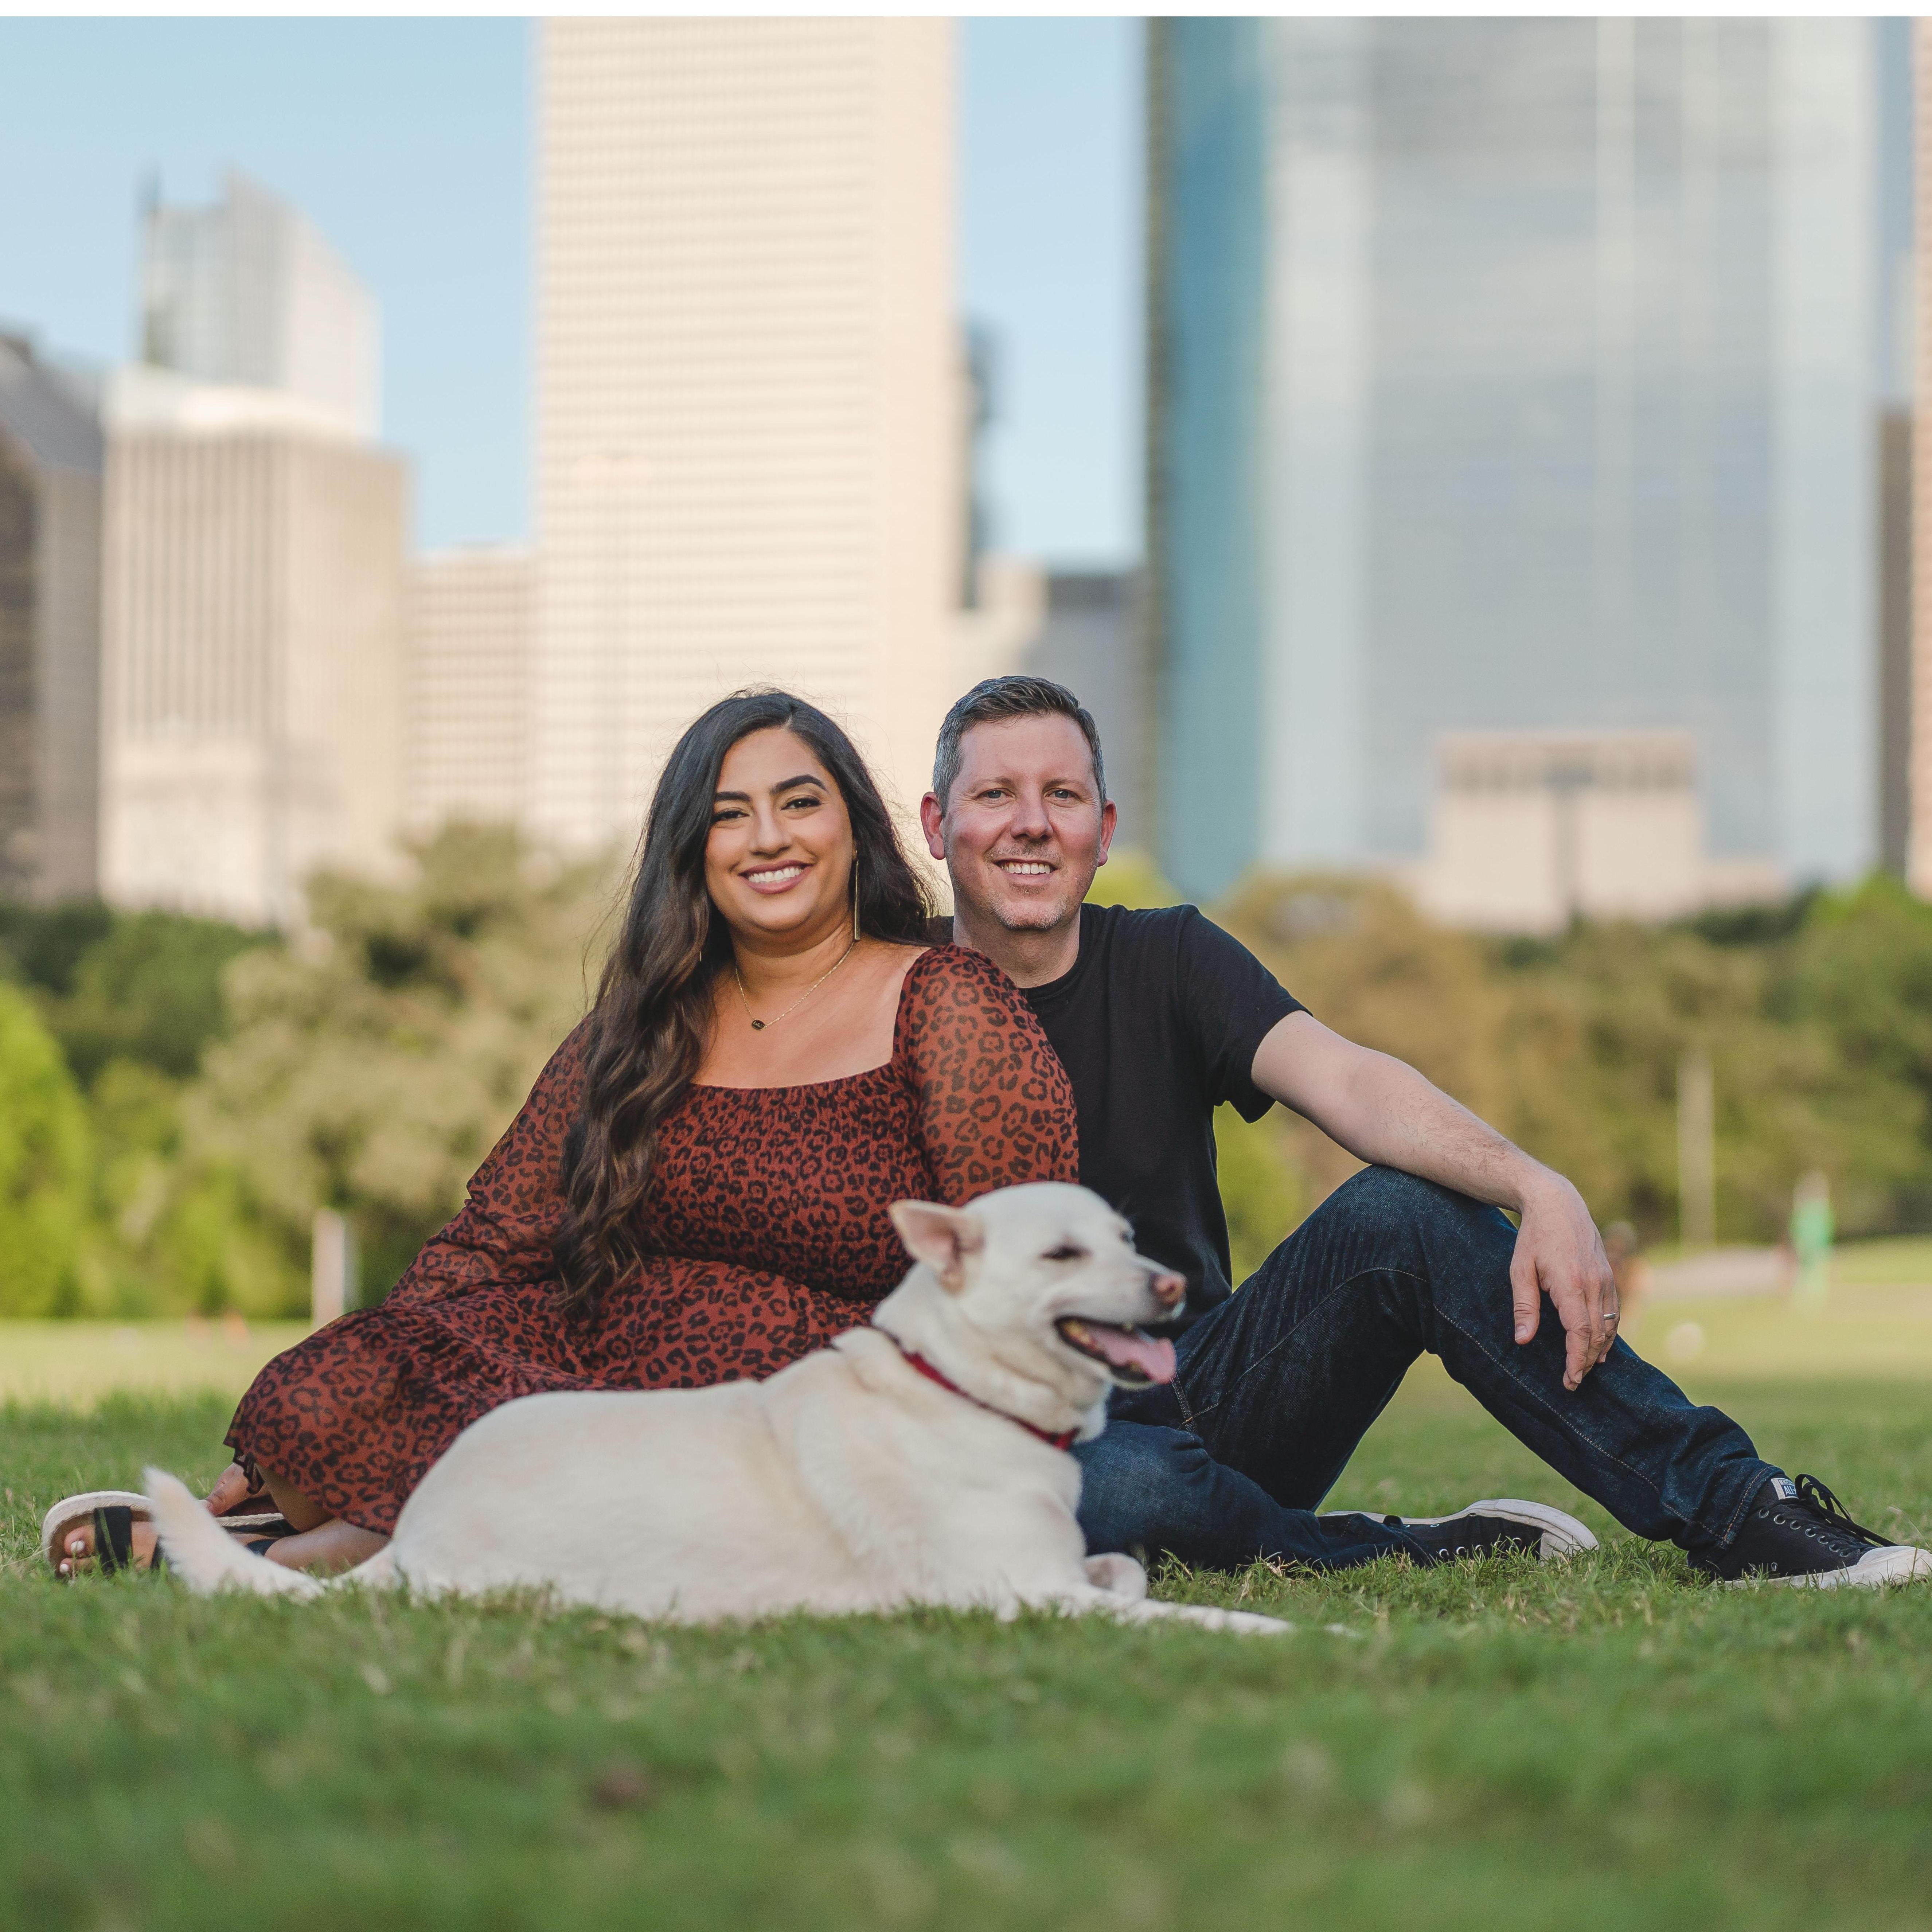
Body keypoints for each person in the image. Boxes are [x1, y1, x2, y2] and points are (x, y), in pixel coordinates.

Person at [918, 675, 1931, 1587]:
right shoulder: (877, 995)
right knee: (1114, 1488)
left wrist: (1534, 1183)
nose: (1031, 826)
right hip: (1005, 1437)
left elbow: (1350, 1080)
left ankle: (1743, 1513)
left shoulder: (1169, 957)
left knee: (1400, 1214)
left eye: (1061, 797)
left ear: (1103, 825)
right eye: (995, 795)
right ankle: (1400, 1547)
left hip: (1206, 1397)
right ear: (935, 823)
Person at [51, 690, 1078, 1577]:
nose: (769, 839)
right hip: (593, 1354)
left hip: (816, 1398)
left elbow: (1024, 1247)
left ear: (854, 827)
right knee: (331, 1389)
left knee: (585, 1443)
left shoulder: (945, 999)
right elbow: (494, 1238)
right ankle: (295, 1520)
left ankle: (307, 1557)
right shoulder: (643, 1026)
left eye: (798, 804)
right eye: (730, 817)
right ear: (694, 853)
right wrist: (371, 1377)